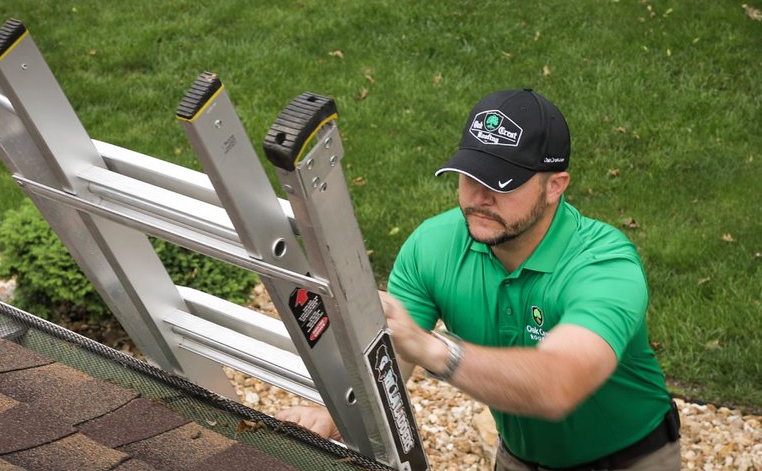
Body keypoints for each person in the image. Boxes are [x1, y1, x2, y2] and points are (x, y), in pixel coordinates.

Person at [277, 89, 681, 470]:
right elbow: (390, 357)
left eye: (502, 182)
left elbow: (561, 385)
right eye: (471, 176)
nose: (480, 197)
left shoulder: (603, 263)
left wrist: (435, 350)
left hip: (627, 460)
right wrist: (332, 416)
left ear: (555, 185)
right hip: (518, 458)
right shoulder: (433, 246)